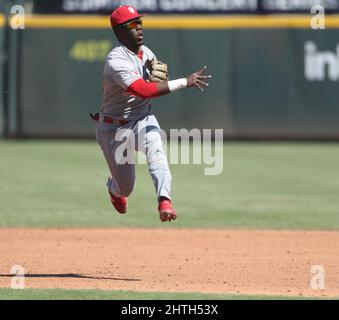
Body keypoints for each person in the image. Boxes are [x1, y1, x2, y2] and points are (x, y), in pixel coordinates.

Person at [94, 5, 211, 222]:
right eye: (132, 24)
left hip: (141, 118)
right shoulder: (116, 60)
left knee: (156, 150)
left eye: (140, 22)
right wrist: (185, 81)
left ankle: (164, 201)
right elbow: (143, 90)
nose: (139, 27)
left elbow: (153, 86)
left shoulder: (147, 53)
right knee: (126, 188)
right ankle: (114, 187)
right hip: (113, 127)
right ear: (119, 31)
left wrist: (162, 81)